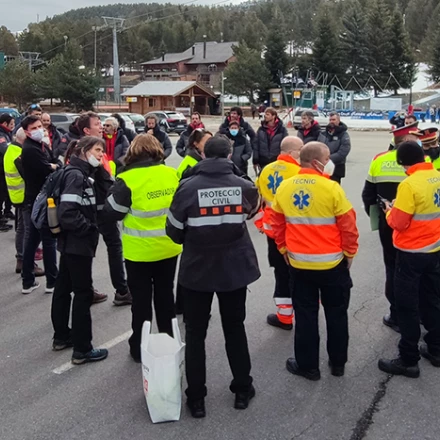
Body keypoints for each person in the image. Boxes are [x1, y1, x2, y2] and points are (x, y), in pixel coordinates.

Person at [166, 136, 261, 418]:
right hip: (234, 269)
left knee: (195, 334)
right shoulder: (244, 186)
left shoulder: (187, 187)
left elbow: (173, 230)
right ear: (230, 154)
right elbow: (253, 212)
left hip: (198, 270)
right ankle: (242, 389)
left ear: (202, 154)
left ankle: (196, 398)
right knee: (235, 328)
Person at [271, 142, 359, 380]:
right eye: (328, 157)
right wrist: (349, 254)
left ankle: (308, 366)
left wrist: (283, 250)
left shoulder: (285, 188)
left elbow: (276, 224)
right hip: (332, 265)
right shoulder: (332, 188)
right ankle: (338, 363)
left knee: (306, 316)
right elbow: (349, 226)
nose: (330, 161)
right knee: (337, 313)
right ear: (317, 161)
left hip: (299, 266)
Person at [103, 134, 182, 362]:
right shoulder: (171, 174)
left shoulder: (128, 179)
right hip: (168, 248)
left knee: (141, 303)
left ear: (133, 152)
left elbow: (112, 212)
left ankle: (139, 347)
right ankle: (169, 342)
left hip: (139, 252)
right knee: (166, 297)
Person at [378, 141, 440, 378]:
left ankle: (408, 359)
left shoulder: (409, 184)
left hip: (411, 253)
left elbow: (399, 223)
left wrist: (389, 210)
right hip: (434, 250)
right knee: (432, 300)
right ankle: (436, 349)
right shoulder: (436, 176)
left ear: (403, 163)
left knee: (406, 306)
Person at [51, 136, 108, 365]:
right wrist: (89, 230)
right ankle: (82, 349)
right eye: (97, 150)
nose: (101, 155)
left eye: (102, 151)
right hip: (78, 243)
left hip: (69, 243)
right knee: (83, 293)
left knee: (63, 287)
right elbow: (68, 212)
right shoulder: (77, 176)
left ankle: (62, 337)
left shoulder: (75, 171)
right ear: (84, 151)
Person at [362, 123, 420, 334]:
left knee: (392, 268)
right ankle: (419, 313)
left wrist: (380, 219)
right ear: (407, 141)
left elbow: (367, 195)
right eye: (415, 136)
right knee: (419, 271)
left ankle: (396, 314)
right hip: (421, 227)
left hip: (389, 224)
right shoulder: (425, 160)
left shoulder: (379, 160)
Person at [75, 112, 130, 306]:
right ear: (86, 130)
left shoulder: (95, 149)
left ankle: (93, 289)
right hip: (97, 210)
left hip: (99, 207)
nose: (102, 127)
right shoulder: (86, 154)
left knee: (100, 249)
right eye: (98, 124)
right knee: (110, 247)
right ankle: (121, 290)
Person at [255, 136, 303, 330]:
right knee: (299, 271)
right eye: (301, 149)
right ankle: (304, 308)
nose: (303, 152)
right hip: (294, 231)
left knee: (280, 272)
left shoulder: (266, 169)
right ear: (292, 153)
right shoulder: (299, 172)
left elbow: (259, 198)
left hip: (272, 231)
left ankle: (284, 316)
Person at [21, 115, 59, 294]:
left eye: (40, 126)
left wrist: (53, 164)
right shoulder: (30, 149)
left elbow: (54, 162)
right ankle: (52, 280)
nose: (39, 130)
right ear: (27, 132)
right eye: (34, 128)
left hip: (38, 198)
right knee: (48, 240)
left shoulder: (40, 145)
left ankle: (27, 281)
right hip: (39, 200)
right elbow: (47, 168)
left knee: (33, 241)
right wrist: (53, 165)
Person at [4, 128, 44, 275]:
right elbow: (29, 175)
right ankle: (28, 264)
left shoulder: (11, 149)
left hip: (17, 196)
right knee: (28, 231)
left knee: (22, 229)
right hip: (24, 196)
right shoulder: (19, 153)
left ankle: (21, 260)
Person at [317, 111, 351, 184]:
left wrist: (328, 159)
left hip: (336, 168)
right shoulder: (323, 133)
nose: (331, 122)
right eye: (330, 120)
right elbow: (318, 146)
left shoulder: (344, 135)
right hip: (322, 167)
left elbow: (343, 151)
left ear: (338, 121)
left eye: (334, 120)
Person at [253, 107, 289, 172]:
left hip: (276, 160)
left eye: (267, 114)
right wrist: (255, 159)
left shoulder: (282, 130)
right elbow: (256, 145)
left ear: (273, 116)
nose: (265, 116)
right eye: (265, 114)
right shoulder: (261, 129)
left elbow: (286, 145)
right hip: (263, 160)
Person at [0, 113, 15, 228]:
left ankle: (6, 212)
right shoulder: (1, 134)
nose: (13, 126)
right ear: (5, 123)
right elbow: (5, 149)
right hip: (1, 168)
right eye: (11, 124)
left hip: (4, 168)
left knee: (5, 193)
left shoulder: (7, 133)